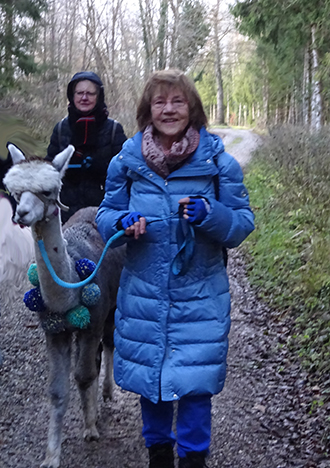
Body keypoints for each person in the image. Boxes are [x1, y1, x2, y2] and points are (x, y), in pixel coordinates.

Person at [96, 69, 255, 468]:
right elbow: (106, 215)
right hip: (144, 290)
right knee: (152, 380)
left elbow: (241, 225)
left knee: (195, 383)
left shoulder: (219, 162)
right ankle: (159, 453)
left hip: (201, 294)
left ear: (193, 108)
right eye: (159, 102)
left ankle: (194, 459)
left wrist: (212, 214)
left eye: (177, 101)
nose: (168, 109)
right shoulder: (127, 162)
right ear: (147, 110)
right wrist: (121, 224)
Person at [46, 71, 127, 223]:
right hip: (64, 212)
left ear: (99, 96)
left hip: (103, 213)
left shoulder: (114, 129)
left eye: (90, 93)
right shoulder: (61, 128)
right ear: (72, 95)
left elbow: (126, 173)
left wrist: (100, 168)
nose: (84, 98)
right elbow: (48, 170)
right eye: (80, 93)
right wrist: (63, 169)